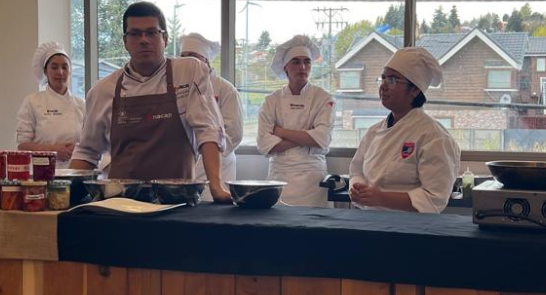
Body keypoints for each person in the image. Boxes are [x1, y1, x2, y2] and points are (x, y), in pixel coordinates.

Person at [69, 1, 231, 202]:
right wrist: (66, 192)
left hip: (177, 200)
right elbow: (87, 151)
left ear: (164, 38)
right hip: (121, 204)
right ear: (125, 41)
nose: (144, 40)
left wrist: (216, 186)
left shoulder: (189, 72)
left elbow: (208, 130)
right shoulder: (102, 91)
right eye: (135, 34)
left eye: (151, 33)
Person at [349, 47, 461, 213]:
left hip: (410, 230)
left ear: (415, 90)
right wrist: (358, 187)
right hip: (370, 223)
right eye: (383, 79)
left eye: (392, 80)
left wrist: (380, 198)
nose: (383, 86)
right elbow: (356, 170)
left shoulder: (433, 136)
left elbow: (434, 198)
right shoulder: (373, 132)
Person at [256, 35, 334, 207]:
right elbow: (263, 144)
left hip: (312, 179)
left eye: (307, 62)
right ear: (285, 68)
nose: (303, 67)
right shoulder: (272, 101)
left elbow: (322, 138)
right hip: (279, 176)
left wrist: (281, 132)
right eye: (296, 62)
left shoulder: (323, 98)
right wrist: (307, 136)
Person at [179, 33, 243, 200]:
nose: (187, 62)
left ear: (206, 60)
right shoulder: (178, 88)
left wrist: (206, 151)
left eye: (193, 57)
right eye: (182, 57)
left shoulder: (226, 89)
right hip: (184, 165)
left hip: (220, 166)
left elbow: (234, 133)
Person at [16, 41, 84, 168]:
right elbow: (23, 145)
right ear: (45, 71)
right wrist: (53, 151)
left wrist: (78, 149)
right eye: (54, 67)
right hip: (42, 171)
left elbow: (91, 142)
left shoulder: (82, 104)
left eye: (65, 67)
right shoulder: (32, 101)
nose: (60, 72)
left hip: (75, 170)